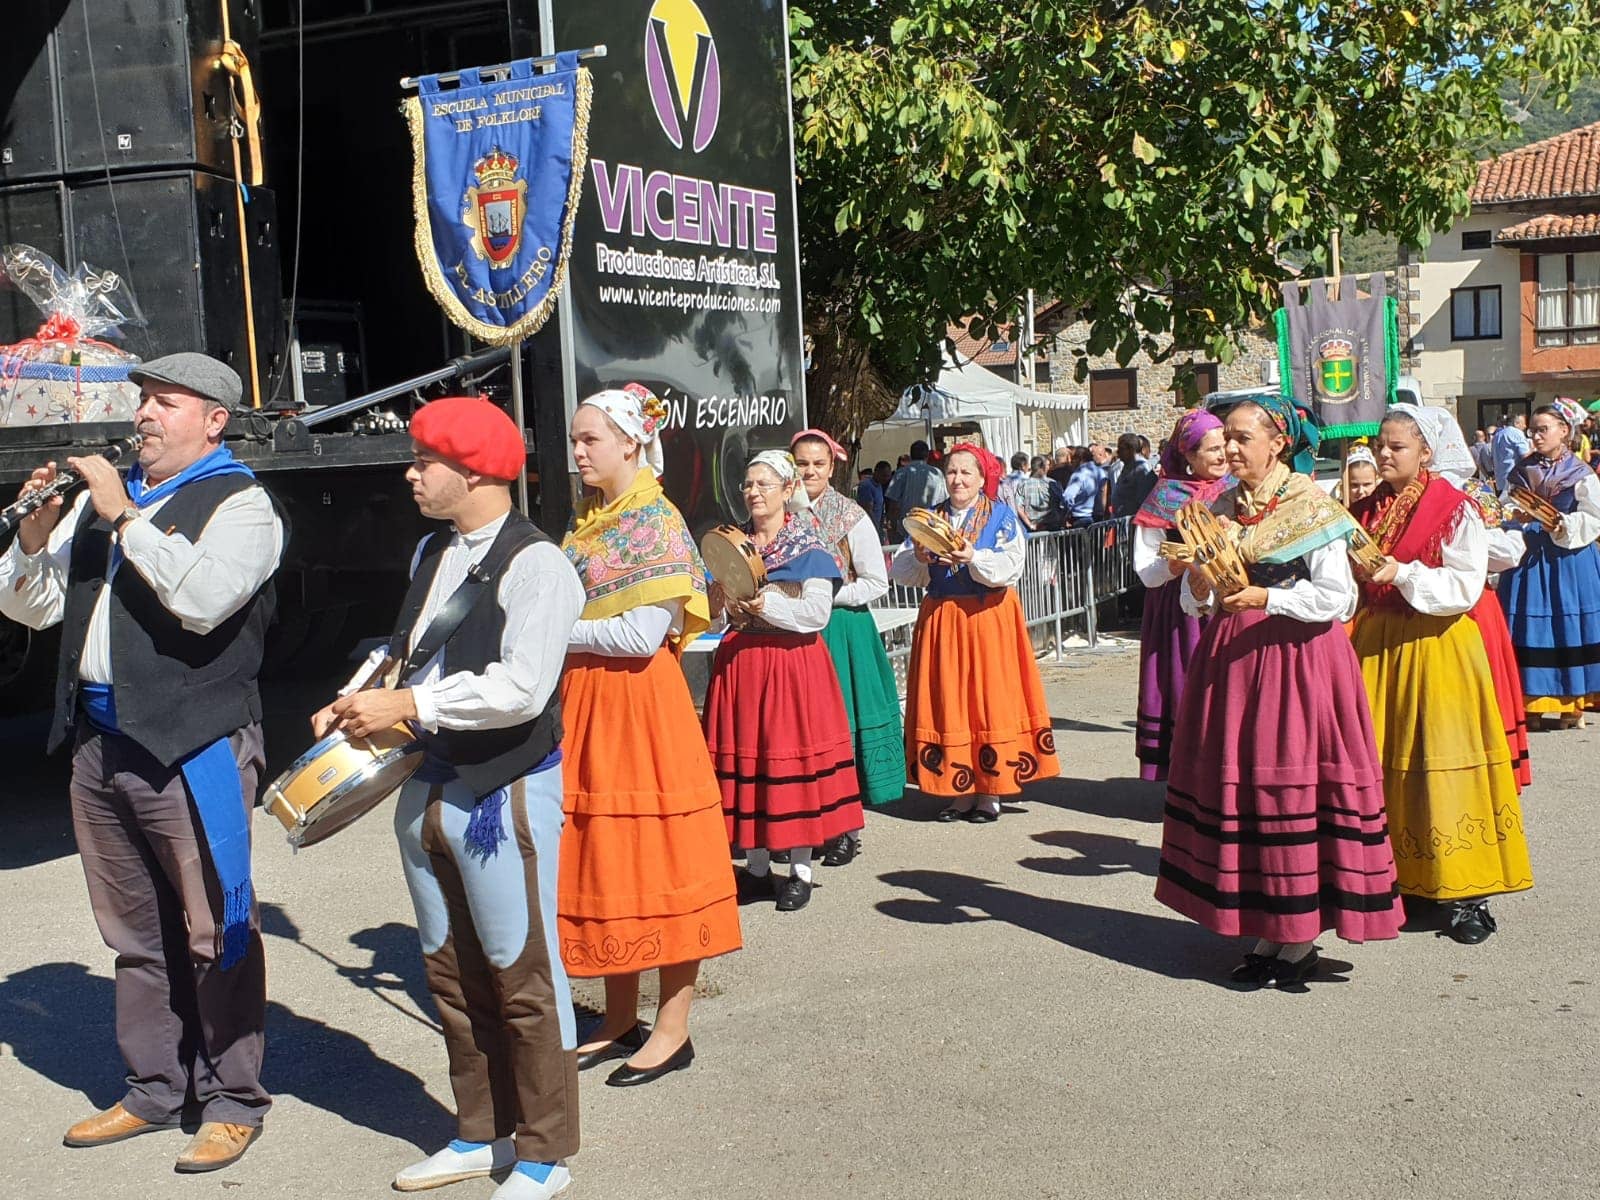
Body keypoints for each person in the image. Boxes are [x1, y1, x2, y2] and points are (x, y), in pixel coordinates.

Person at [0, 353, 283, 1171]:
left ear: (214, 421)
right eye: (144, 402)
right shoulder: (104, 497)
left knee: (214, 928)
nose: (145, 417)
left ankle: (233, 1099)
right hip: (101, 744)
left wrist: (125, 515)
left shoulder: (243, 504)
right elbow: (36, 605)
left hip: (193, 745)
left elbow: (200, 603)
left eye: (166, 404)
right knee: (133, 933)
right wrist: (32, 536)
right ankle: (155, 1088)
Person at [312, 395, 583, 1199]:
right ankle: (480, 1132)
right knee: (452, 974)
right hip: (428, 784)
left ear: (473, 471)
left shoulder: (540, 565)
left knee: (523, 973)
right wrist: (359, 695)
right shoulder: (433, 551)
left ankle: (544, 1152)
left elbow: (523, 689)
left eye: (424, 460)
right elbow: (409, 655)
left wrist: (410, 707)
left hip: (505, 791)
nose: (411, 472)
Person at [1155, 395, 1403, 987]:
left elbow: (1338, 598)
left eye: (1243, 438)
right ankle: (1269, 927)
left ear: (1278, 443)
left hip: (1297, 660)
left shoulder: (1310, 506)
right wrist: (1197, 579)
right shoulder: (1216, 506)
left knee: (1287, 787)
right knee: (1245, 794)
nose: (1231, 449)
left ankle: (1298, 940)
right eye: (1227, 438)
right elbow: (1200, 599)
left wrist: (1269, 598)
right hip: (1234, 660)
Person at [557, 386, 741, 1088]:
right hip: (590, 701)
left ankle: (673, 1026)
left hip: (639, 704)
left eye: (589, 440)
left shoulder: (654, 522)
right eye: (575, 440)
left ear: (631, 444)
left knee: (656, 857)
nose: (577, 452)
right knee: (609, 856)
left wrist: (552, 631)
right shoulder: (591, 519)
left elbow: (640, 636)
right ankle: (617, 1015)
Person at [1349, 406, 1533, 945]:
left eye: (1397, 447)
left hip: (1438, 645)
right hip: (1379, 645)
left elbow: (1463, 584)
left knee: (1445, 765)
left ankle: (1467, 894)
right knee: (1385, 765)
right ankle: (1403, 879)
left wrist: (1403, 572)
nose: (1384, 454)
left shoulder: (1455, 508)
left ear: (1426, 452)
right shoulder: (1365, 510)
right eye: (1380, 445)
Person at [703, 451, 865, 911]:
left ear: (788, 490)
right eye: (748, 485)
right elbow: (715, 616)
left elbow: (815, 614)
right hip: (742, 665)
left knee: (788, 763)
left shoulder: (810, 549)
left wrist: (765, 606)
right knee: (752, 764)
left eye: (763, 485)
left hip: (791, 665)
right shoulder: (735, 545)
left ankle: (799, 870)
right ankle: (755, 868)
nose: (753, 493)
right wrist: (722, 605)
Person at [890, 443, 1061, 821]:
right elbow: (903, 571)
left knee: (987, 699)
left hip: (988, 617)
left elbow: (1010, 567)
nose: (958, 479)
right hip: (944, 617)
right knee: (950, 699)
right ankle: (959, 789)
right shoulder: (930, 518)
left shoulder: (1000, 516)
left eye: (967, 472)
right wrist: (918, 557)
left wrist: (973, 557)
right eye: (952, 472)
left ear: (983, 478)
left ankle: (990, 792)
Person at [791, 429, 907, 859]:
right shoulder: (780, 513)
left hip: (842, 628)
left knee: (842, 725)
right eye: (802, 463)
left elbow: (876, 581)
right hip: (793, 632)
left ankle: (845, 828)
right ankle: (803, 823)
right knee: (803, 730)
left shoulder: (850, 516)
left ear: (832, 466)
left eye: (818, 464)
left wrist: (823, 598)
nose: (809, 472)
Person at [1130, 410, 1229, 781]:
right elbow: (1146, 568)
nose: (1222, 456)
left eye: (1225, 447)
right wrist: (1175, 565)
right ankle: (1189, 779)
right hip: (1181, 615)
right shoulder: (1165, 498)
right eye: (1213, 449)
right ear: (1189, 456)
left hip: (1232, 604)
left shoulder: (1239, 490)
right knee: (1188, 690)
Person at [1497, 398, 1600, 729]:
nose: (1536, 437)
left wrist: (1564, 525)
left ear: (1564, 431)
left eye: (1543, 430)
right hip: (1530, 555)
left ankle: (1574, 702)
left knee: (1568, 625)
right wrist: (1514, 517)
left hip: (1570, 558)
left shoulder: (1580, 473)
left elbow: (1594, 516)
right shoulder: (1522, 470)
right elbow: (1505, 506)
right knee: (1531, 626)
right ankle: (1532, 703)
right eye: (1532, 431)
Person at [884, 439, 947, 535]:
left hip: (906, 527)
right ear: (927, 456)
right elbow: (943, 501)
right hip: (931, 527)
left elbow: (893, 503)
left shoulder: (901, 473)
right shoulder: (937, 474)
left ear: (911, 455)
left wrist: (892, 524)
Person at [1013, 454, 1067, 531]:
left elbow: (1019, 507)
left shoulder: (1023, 485)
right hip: (1052, 526)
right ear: (1044, 467)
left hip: (1033, 527)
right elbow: (1064, 504)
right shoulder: (1053, 484)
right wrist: (1061, 520)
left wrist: (1030, 525)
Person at [1110, 432, 1157, 517]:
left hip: (1132, 523)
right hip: (1121, 521)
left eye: (1121, 448)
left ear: (1131, 449)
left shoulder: (1142, 469)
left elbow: (1144, 500)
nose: (1118, 452)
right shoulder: (1127, 466)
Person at [1491, 412, 1530, 492]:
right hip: (1514, 482)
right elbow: (1526, 457)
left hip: (1500, 482)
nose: (1525, 426)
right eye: (1524, 423)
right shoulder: (1516, 433)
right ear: (1516, 423)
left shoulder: (1497, 435)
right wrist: (1535, 449)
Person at [1062, 448, 1100, 526]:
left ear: (1080, 459)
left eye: (1073, 458)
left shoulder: (1079, 474)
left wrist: (1068, 511)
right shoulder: (1100, 471)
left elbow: (1068, 496)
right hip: (1098, 517)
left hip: (1080, 517)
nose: (1071, 461)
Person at [855, 463, 885, 533]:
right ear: (876, 472)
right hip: (867, 527)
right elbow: (867, 509)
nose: (886, 479)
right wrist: (875, 527)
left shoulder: (879, 485)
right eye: (884, 476)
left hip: (876, 525)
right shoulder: (866, 486)